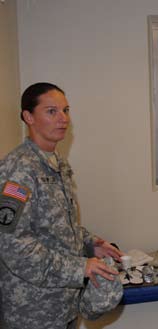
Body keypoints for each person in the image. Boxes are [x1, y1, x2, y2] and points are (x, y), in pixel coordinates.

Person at [0, 82, 124, 329]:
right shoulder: (18, 170)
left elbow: (60, 227)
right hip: (32, 313)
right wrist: (80, 267)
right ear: (28, 117)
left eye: (66, 110)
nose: (63, 119)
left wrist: (92, 244)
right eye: (51, 111)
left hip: (63, 305)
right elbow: (13, 247)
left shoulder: (55, 164)